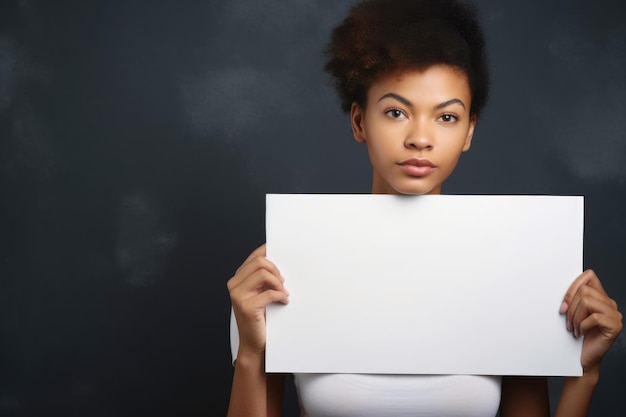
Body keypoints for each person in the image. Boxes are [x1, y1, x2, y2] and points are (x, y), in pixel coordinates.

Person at [226, 0, 623, 416]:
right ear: (359, 121)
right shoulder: (283, 271)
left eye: (446, 117)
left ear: (469, 131)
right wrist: (251, 355)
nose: (420, 138)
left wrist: (585, 374)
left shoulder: (511, 266)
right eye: (396, 112)